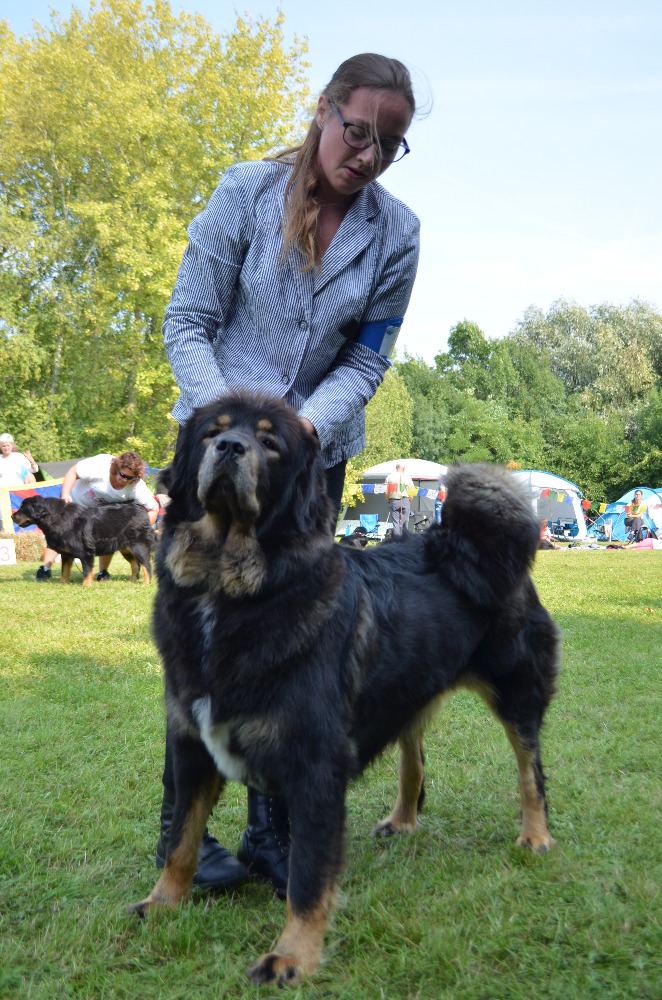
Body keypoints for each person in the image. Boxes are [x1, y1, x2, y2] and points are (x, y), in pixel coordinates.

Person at [158, 52, 421, 896]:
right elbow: (188, 321)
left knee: (290, 652)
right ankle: (186, 851)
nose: (368, 155)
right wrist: (226, 425)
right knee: (195, 652)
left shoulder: (400, 232)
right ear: (323, 110)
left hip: (309, 468)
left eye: (390, 144)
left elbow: (368, 360)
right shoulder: (243, 191)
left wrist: (304, 431)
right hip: (213, 454)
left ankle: (272, 837)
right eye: (358, 131)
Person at [35, 451, 159, 580]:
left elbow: (154, 508)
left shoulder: (137, 487)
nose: (125, 480)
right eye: (123, 475)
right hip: (76, 502)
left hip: (102, 514)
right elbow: (72, 472)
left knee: (109, 534)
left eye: (130, 478)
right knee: (60, 534)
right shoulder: (100, 465)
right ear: (116, 468)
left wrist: (137, 532)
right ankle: (45, 568)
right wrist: (65, 494)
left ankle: (103, 573)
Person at [385, 462, 415, 536]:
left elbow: (386, 492)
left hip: (393, 501)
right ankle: (404, 541)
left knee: (396, 523)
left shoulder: (389, 477)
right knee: (405, 523)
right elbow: (411, 493)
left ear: (396, 468)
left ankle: (397, 541)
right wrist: (409, 502)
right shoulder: (408, 477)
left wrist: (389, 500)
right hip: (405, 500)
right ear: (404, 469)